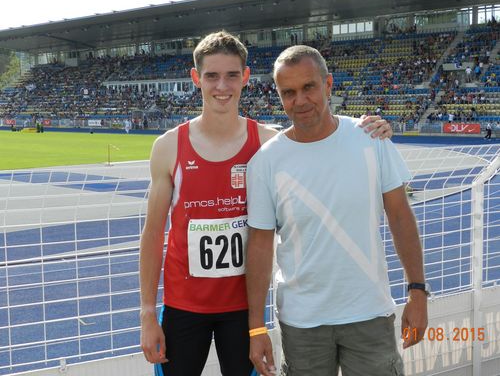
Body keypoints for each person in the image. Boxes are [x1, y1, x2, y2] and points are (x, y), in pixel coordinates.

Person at [139, 32, 394, 376]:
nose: (222, 86)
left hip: (243, 312)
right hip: (184, 308)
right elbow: (153, 234)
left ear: (245, 78)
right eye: (212, 76)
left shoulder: (268, 143)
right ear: (196, 78)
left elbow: (320, 138)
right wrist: (147, 313)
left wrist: (368, 127)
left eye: (232, 75)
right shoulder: (169, 148)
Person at [245, 45, 428, 376]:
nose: (300, 100)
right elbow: (259, 244)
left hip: (369, 313)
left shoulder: (371, 139)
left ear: (328, 85)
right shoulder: (265, 162)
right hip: (302, 323)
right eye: (289, 92)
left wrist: (418, 292)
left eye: (309, 87)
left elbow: (400, 216)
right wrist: (256, 327)